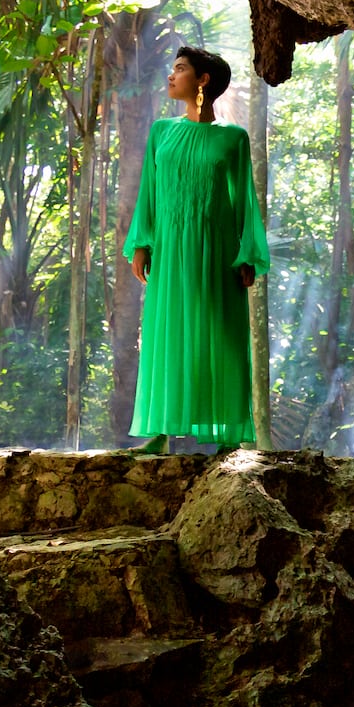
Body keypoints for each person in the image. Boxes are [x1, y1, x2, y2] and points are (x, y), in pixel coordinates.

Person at [122, 47, 271, 451]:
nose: (171, 77)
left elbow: (244, 202)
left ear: (203, 80)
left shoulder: (232, 138)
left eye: (180, 69)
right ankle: (160, 433)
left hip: (217, 252)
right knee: (166, 332)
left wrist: (246, 254)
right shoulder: (162, 132)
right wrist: (142, 243)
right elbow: (148, 194)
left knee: (221, 335)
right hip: (170, 251)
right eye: (173, 69)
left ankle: (228, 436)